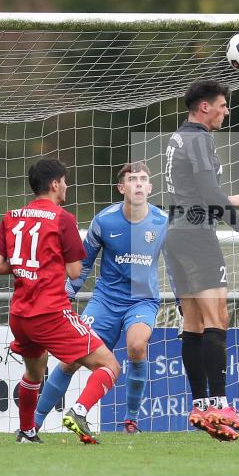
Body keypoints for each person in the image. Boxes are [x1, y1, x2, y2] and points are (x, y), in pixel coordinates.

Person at [0, 158, 121, 444]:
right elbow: (74, 271)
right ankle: (79, 411)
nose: (66, 186)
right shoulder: (63, 218)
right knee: (109, 365)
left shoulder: (11, 216)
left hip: (20, 315)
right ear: (54, 184)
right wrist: (47, 263)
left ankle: (27, 432)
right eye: (65, 181)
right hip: (50, 312)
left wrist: (28, 265)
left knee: (34, 373)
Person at [33, 162, 168, 434]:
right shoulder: (104, 221)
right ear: (121, 188)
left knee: (137, 346)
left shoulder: (163, 221)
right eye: (132, 179)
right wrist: (65, 296)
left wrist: (183, 301)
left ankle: (130, 420)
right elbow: (83, 265)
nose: (138, 183)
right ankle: (32, 424)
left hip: (142, 301)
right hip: (105, 301)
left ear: (151, 187)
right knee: (70, 360)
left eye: (143, 179)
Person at [164, 79, 239, 441]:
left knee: (193, 323)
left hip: (176, 234)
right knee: (217, 317)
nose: (226, 111)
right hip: (196, 236)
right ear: (204, 107)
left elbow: (197, 192)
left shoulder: (180, 136)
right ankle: (220, 405)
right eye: (222, 105)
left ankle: (201, 406)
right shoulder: (200, 139)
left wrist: (224, 200)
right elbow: (206, 191)